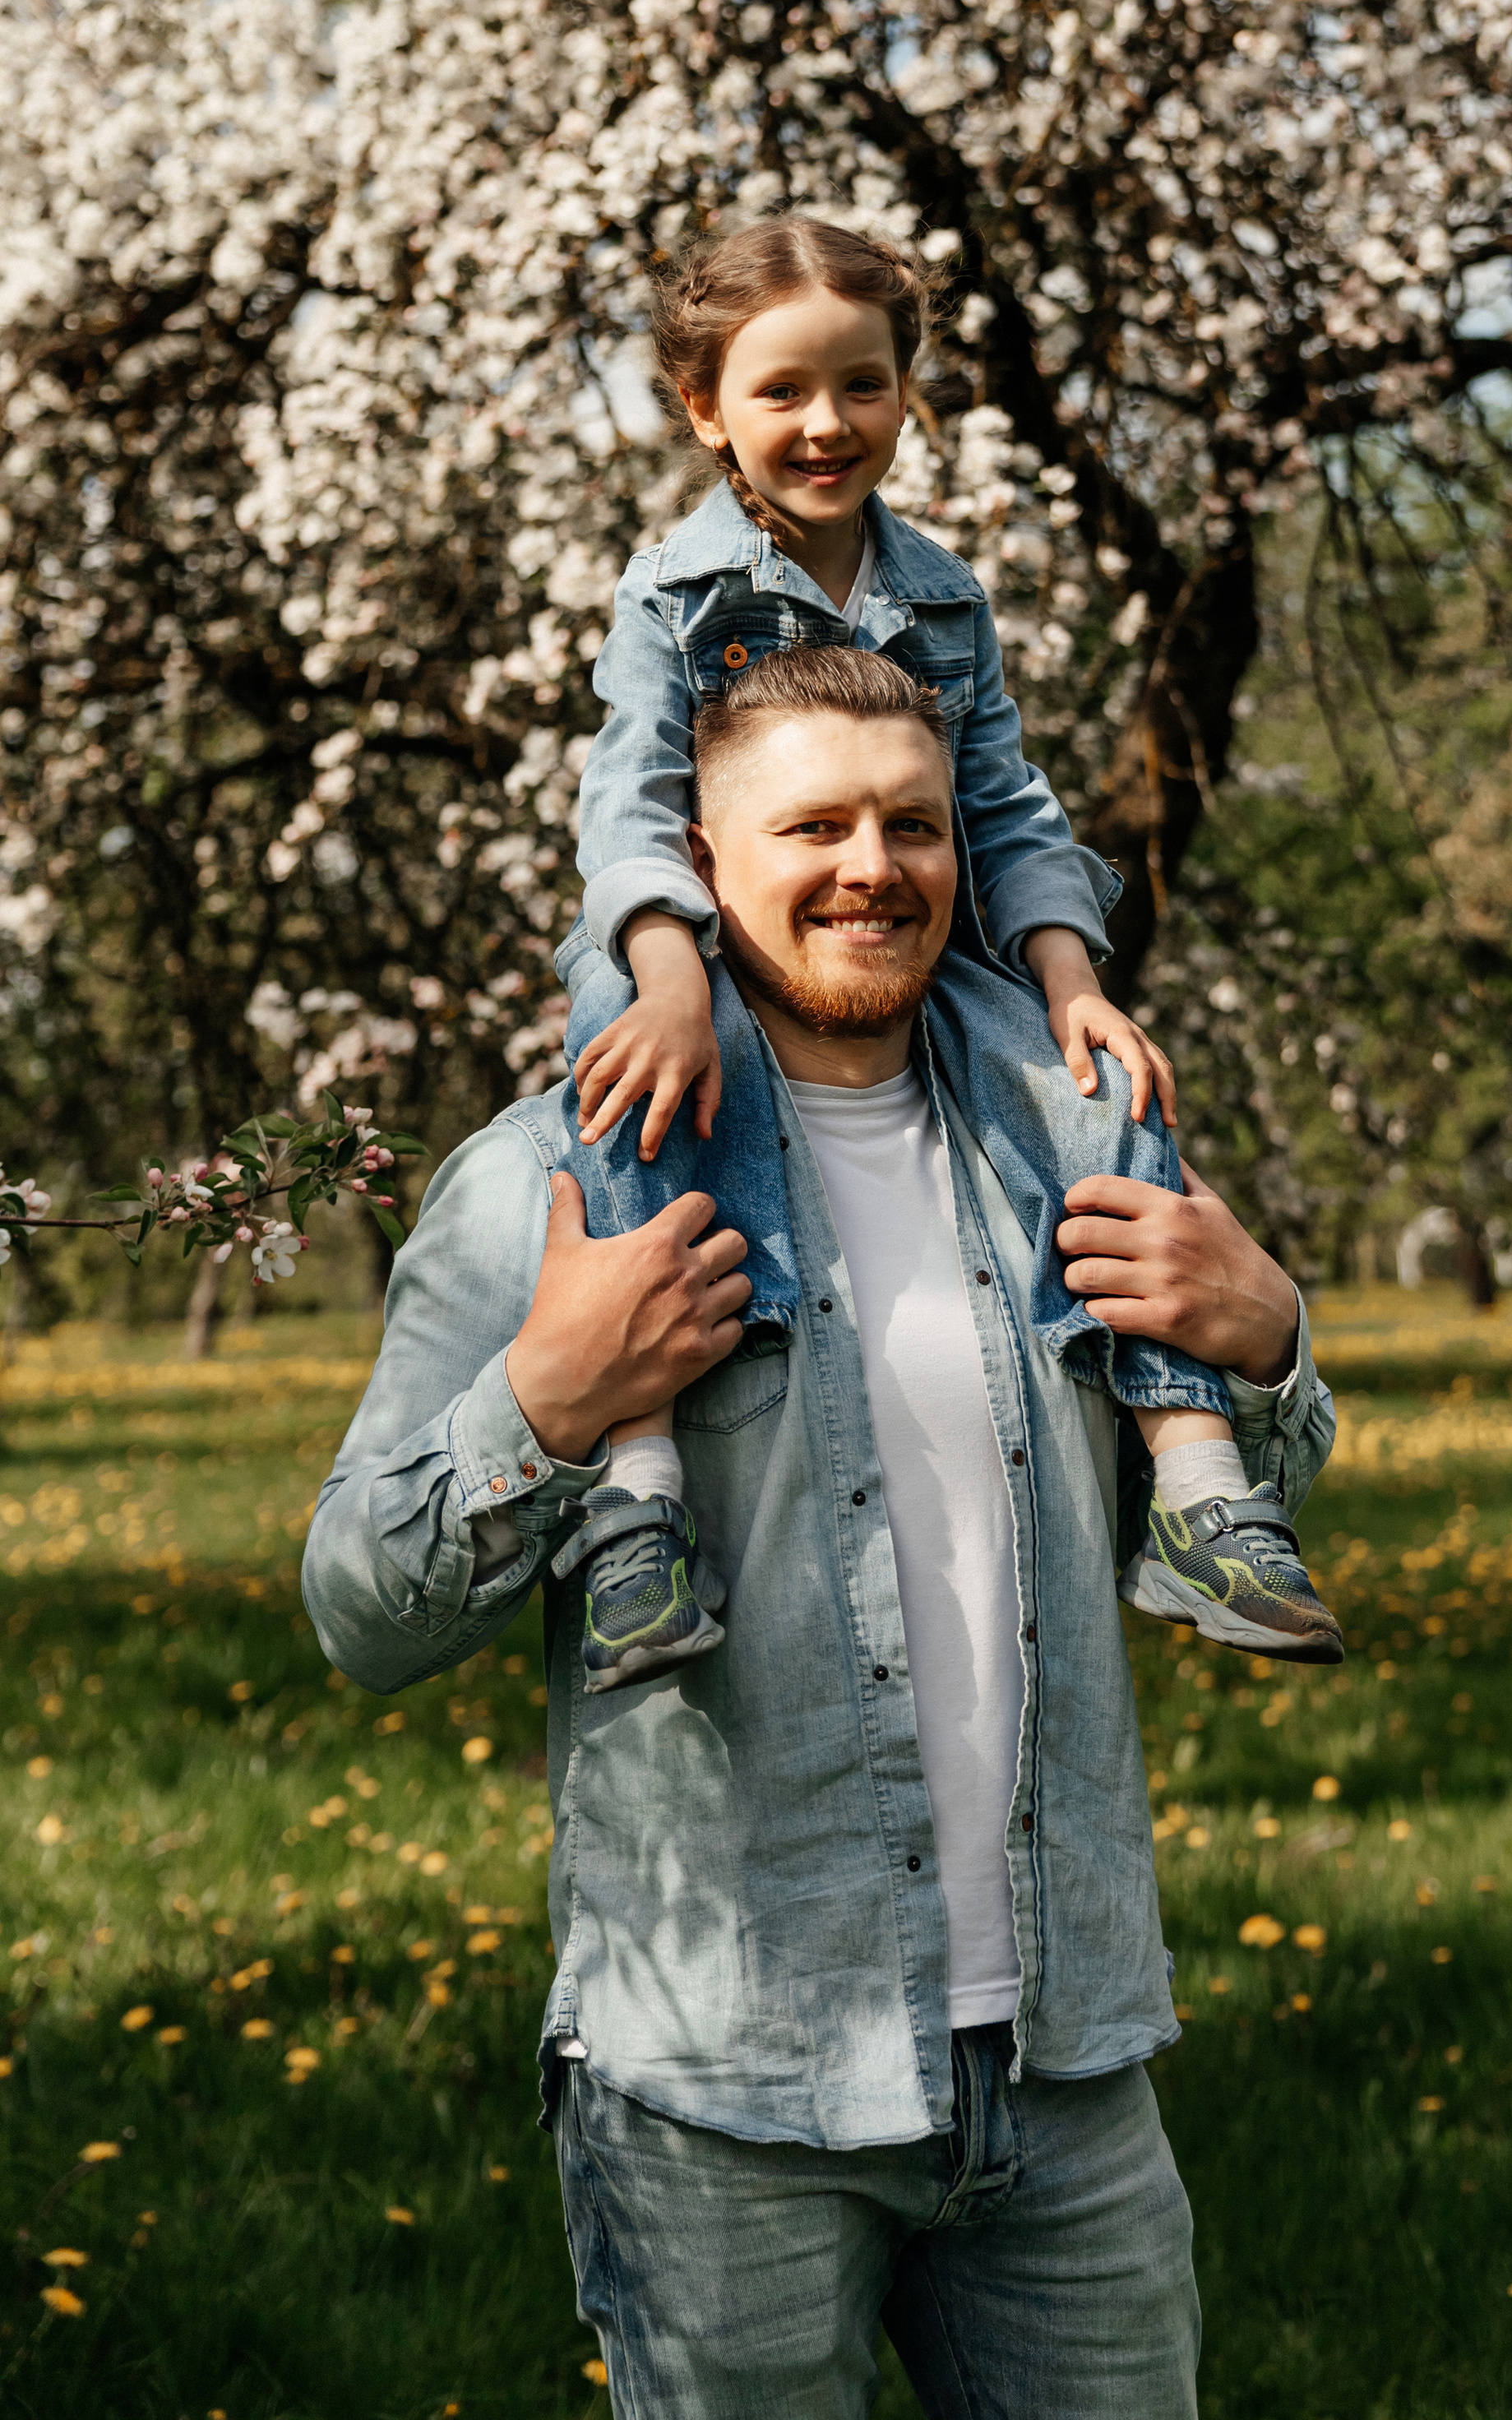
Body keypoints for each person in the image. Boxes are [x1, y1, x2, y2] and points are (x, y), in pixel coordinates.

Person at [302, 645, 1337, 2419]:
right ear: (699, 865)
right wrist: (544, 1403)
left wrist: (1272, 1344)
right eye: (817, 825)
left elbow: (1215, 1501)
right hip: (731, 2092)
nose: (875, 865)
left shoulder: (1071, 1135)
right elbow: (359, 1609)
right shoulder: (559, 1174)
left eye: (915, 824)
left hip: (1067, 2071)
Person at [551, 213, 1338, 1686]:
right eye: (781, 390)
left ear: (907, 393)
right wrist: (667, 972)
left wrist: (1073, 981)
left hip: (904, 951)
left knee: (1101, 1086)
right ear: (705, 408)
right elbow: (630, 807)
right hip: (681, 929)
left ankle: (1197, 1481)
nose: (826, 423)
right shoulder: (673, 593)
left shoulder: (944, 600)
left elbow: (1007, 811)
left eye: (862, 384)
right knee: (637, 1088)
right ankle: (634, 1513)